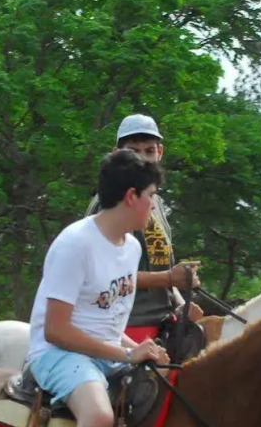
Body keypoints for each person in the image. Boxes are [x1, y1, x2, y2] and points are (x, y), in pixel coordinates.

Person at [15, 149, 171, 427]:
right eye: (152, 195)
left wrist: (141, 351)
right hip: (59, 354)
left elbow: (108, 319)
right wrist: (126, 353)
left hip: (101, 352)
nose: (155, 205)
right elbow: (57, 331)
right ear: (132, 196)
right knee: (100, 418)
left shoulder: (130, 248)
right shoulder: (75, 244)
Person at [87, 114, 203, 343]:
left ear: (160, 153)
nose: (142, 159)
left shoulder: (156, 204)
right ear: (116, 155)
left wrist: (181, 303)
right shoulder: (108, 205)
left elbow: (164, 276)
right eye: (133, 151)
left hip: (164, 324)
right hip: (125, 327)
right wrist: (170, 277)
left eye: (149, 151)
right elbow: (103, 277)